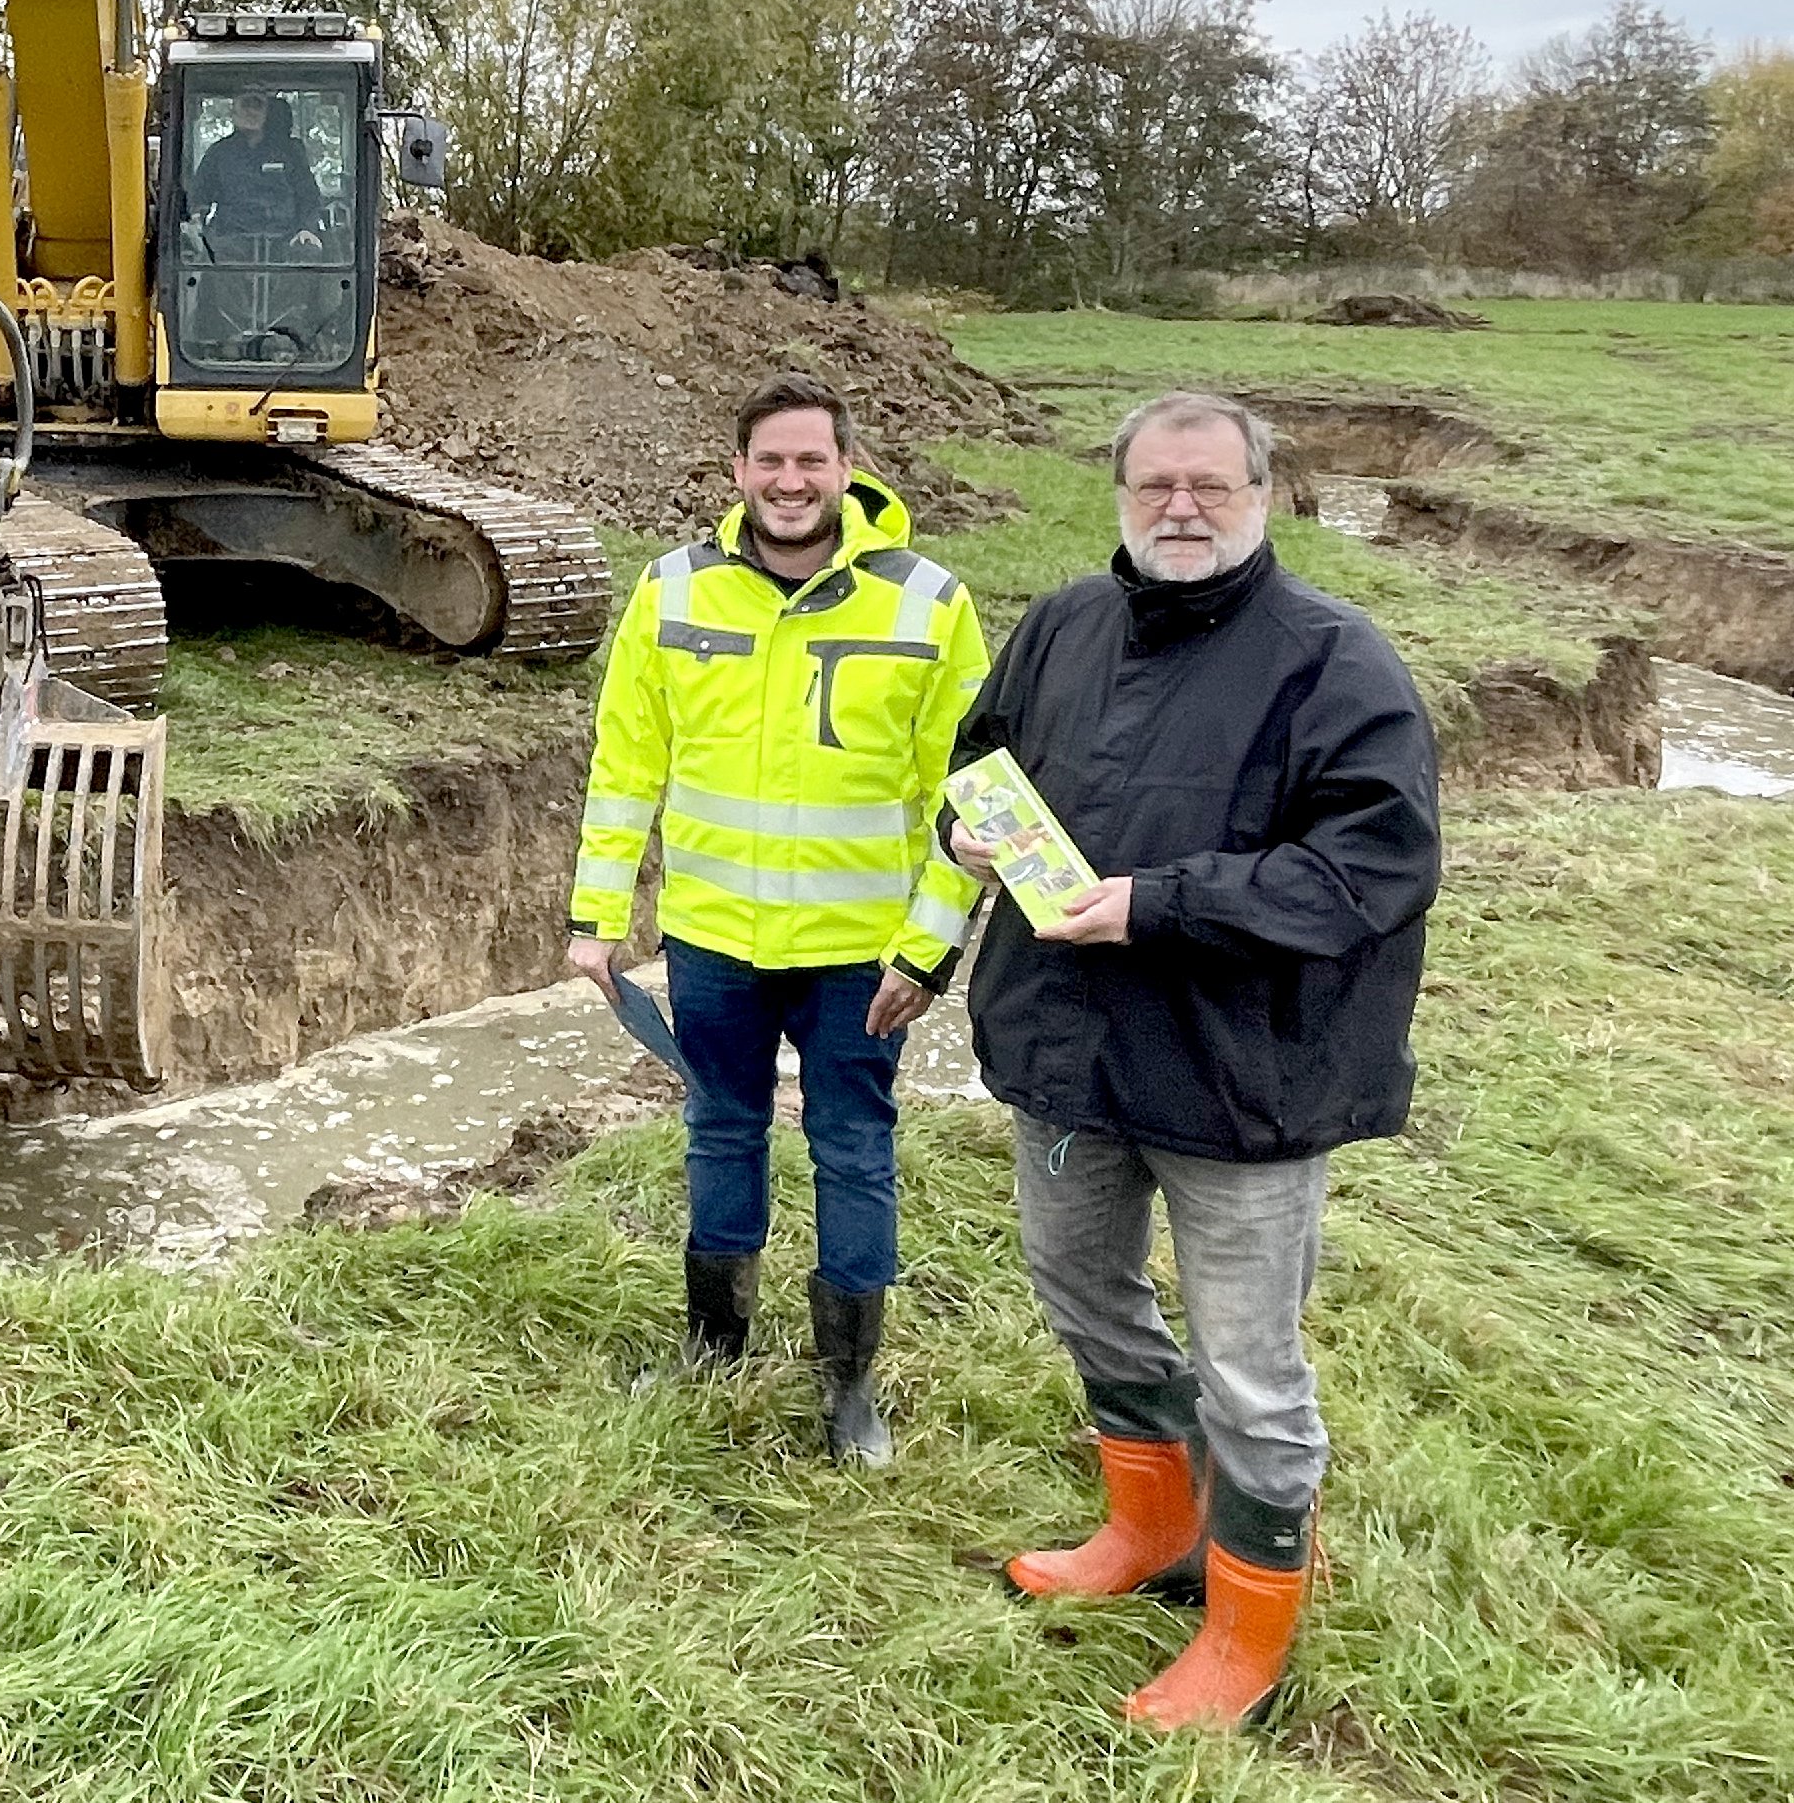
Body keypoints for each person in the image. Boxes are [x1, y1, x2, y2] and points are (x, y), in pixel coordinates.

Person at [947, 390, 1440, 1732]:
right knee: (1083, 1292)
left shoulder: (1335, 660)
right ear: (1120, 494)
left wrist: (1156, 903)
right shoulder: (1062, 623)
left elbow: (1374, 865)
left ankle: (1244, 1626)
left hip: (1242, 1076)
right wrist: (965, 829)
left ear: (1261, 495)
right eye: (1156, 484)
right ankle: (1153, 1525)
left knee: (1250, 1370)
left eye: (1210, 485)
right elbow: (980, 758)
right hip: (1068, 1047)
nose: (1181, 507)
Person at [564, 373, 990, 1463]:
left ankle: (850, 1384)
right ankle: (715, 1342)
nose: (790, 480)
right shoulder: (671, 590)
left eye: (811, 460)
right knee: (720, 1131)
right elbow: (626, 765)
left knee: (854, 1147)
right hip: (714, 942)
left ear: (847, 470)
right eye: (771, 460)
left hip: (861, 956)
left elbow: (969, 798)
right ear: (737, 471)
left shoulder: (928, 603)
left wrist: (929, 952)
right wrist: (597, 917)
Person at [186, 91, 328, 254]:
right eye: (246, 105)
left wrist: (307, 229)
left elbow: (308, 196)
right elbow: (200, 194)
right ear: (234, 112)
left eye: (257, 105)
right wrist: (196, 221)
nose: (251, 111)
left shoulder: (290, 152)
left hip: (285, 241)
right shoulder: (219, 153)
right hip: (230, 242)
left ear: (267, 112)